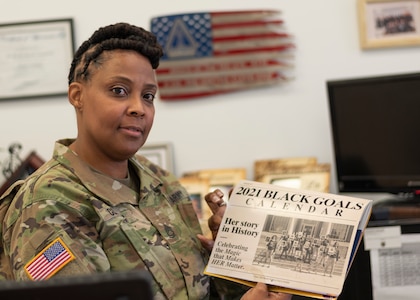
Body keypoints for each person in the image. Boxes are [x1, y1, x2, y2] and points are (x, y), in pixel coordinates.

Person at [0, 22, 291, 300]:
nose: (139, 108)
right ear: (78, 96)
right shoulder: (49, 203)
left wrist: (229, 251)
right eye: (119, 91)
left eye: (148, 96)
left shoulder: (160, 181)